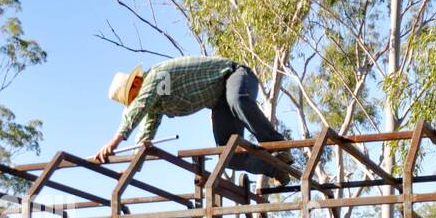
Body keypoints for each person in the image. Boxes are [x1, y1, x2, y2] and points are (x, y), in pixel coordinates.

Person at [92, 56, 293, 179]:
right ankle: (276, 170)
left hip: (235, 76)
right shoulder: (156, 106)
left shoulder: (155, 77)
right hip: (219, 102)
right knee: (229, 157)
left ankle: (279, 146)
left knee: (238, 100)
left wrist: (114, 141)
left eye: (133, 98)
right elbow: (144, 138)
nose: (136, 103)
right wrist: (131, 169)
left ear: (136, 84)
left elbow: (140, 106)